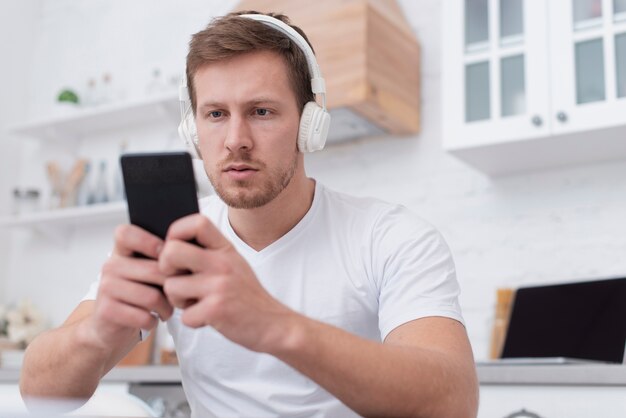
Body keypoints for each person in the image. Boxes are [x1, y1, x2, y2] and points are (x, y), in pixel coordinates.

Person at [20, 11, 479, 418]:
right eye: (216, 113)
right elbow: (39, 393)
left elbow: (452, 402)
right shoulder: (173, 239)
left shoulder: (393, 237)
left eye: (261, 111)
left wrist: (271, 324)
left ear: (309, 123)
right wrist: (100, 331)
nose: (235, 138)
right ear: (192, 129)